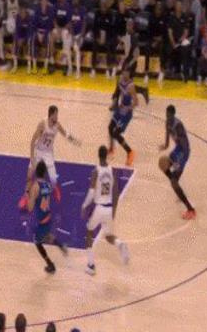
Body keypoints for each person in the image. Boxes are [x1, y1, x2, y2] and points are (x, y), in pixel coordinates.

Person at [18, 105, 80, 210]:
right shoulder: (43, 124)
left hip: (48, 154)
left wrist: (75, 140)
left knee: (53, 179)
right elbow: (33, 141)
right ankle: (26, 196)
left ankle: (55, 188)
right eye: (56, 114)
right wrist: (32, 157)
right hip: (38, 151)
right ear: (51, 114)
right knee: (29, 176)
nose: (57, 116)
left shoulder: (57, 125)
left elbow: (66, 134)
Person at [81, 145, 129, 275]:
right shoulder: (112, 170)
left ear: (98, 155)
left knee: (89, 233)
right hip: (109, 208)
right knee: (108, 236)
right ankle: (120, 244)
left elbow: (91, 193)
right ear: (107, 155)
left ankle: (91, 265)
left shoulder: (96, 171)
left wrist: (84, 205)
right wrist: (114, 210)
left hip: (99, 208)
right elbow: (116, 193)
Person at [27, 161, 68, 273]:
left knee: (37, 242)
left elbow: (30, 208)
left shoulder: (35, 186)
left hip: (41, 220)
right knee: (47, 236)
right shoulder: (48, 185)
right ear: (45, 173)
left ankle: (50, 264)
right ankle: (60, 245)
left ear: (36, 172)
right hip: (48, 217)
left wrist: (28, 194)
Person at [159, 105, 196, 220]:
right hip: (177, 150)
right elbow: (167, 141)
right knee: (162, 163)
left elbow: (185, 146)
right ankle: (176, 185)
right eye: (166, 114)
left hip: (183, 152)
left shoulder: (178, 126)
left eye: (169, 115)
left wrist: (179, 162)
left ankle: (191, 210)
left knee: (174, 182)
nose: (167, 117)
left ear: (173, 115)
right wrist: (164, 146)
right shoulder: (167, 123)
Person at [108, 68, 138, 166]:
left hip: (127, 113)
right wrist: (114, 103)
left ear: (129, 74)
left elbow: (136, 102)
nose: (125, 74)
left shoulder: (131, 86)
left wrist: (128, 107)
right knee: (110, 127)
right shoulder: (120, 80)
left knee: (116, 133)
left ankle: (130, 152)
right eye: (124, 72)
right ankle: (111, 149)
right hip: (120, 109)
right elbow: (117, 93)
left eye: (127, 72)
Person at [91, 0, 116, 79]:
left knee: (109, 47)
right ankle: (93, 68)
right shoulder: (97, 13)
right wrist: (97, 37)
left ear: (106, 5)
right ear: (100, 5)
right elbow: (94, 27)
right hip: (98, 36)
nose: (103, 6)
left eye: (104, 4)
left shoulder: (110, 14)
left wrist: (105, 38)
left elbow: (111, 29)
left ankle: (108, 69)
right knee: (94, 46)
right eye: (101, 4)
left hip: (108, 36)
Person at [50, 0, 73, 75]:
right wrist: (57, 28)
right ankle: (52, 62)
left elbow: (70, 22)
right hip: (57, 28)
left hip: (65, 28)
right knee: (51, 37)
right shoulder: (55, 6)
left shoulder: (68, 7)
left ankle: (64, 65)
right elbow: (53, 19)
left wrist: (62, 29)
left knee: (65, 37)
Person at [31, 0, 55, 74]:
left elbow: (50, 25)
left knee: (48, 41)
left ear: (47, 2)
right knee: (33, 40)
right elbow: (34, 24)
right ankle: (34, 66)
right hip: (38, 31)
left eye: (45, 1)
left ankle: (45, 67)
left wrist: (44, 34)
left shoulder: (50, 11)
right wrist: (38, 33)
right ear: (40, 2)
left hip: (46, 32)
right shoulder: (37, 10)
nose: (44, 3)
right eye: (42, 1)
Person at [11, 7, 33, 73]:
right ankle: (15, 65)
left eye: (24, 13)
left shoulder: (29, 18)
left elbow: (29, 32)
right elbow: (17, 31)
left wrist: (24, 39)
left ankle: (29, 66)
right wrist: (18, 39)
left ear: (26, 13)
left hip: (27, 36)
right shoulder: (17, 18)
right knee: (15, 43)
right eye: (21, 13)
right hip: (19, 37)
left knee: (29, 43)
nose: (22, 14)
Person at [70, 0, 86, 79]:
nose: (75, 1)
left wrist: (80, 36)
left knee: (76, 48)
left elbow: (84, 24)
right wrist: (73, 36)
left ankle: (78, 71)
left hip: (80, 34)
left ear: (79, 1)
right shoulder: (70, 10)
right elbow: (70, 24)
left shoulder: (82, 10)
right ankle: (69, 68)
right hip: (72, 34)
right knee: (67, 46)